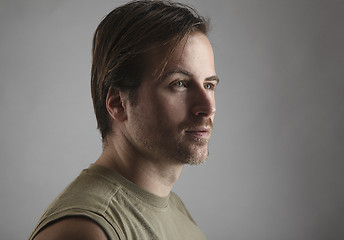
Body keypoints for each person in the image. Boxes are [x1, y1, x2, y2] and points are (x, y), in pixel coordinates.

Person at [29, 0, 219, 239]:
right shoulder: (89, 229)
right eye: (179, 84)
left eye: (209, 85)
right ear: (119, 103)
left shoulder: (172, 206)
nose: (208, 107)